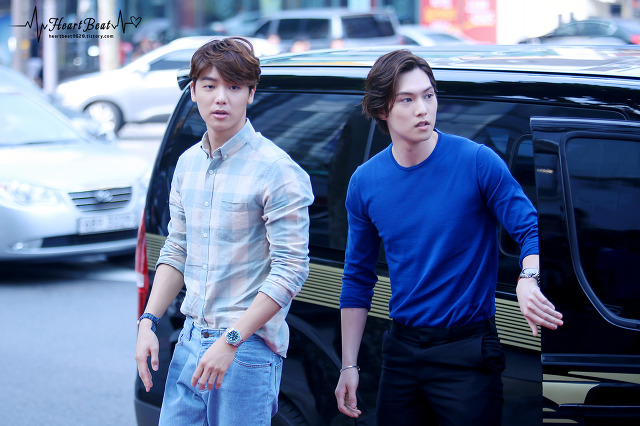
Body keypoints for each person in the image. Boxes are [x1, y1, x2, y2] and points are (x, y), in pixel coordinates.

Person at [334, 49, 564, 425]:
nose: (423, 109)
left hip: (467, 351)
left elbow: (531, 228)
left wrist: (529, 276)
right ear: (381, 110)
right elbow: (357, 277)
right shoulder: (365, 182)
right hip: (402, 351)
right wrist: (349, 365)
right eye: (407, 100)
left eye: (428, 95)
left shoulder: (476, 161)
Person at [135, 37, 314, 426]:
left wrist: (231, 340)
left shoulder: (277, 170)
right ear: (193, 91)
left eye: (234, 86)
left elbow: (291, 269)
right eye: (210, 85)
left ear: (251, 93)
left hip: (246, 349)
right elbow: (176, 251)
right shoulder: (187, 164)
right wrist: (148, 322)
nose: (221, 97)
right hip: (189, 340)